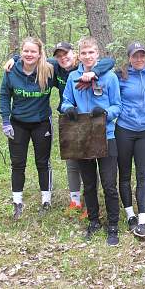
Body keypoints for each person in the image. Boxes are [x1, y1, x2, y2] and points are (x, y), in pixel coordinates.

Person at [4, 43, 115, 215]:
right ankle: (75, 201)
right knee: (73, 161)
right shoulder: (54, 67)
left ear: (75, 54)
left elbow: (109, 61)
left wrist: (94, 72)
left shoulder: (83, 66)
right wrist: (15, 58)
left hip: (91, 117)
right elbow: (33, 56)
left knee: (91, 158)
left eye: (67, 54)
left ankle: (89, 203)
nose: (63, 58)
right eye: (59, 55)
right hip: (71, 116)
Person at [61, 36, 122, 246]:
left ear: (97, 54)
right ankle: (94, 221)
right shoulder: (73, 78)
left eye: (91, 53)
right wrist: (68, 109)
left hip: (106, 135)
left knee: (108, 184)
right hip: (82, 136)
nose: (87, 57)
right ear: (79, 55)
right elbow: (65, 100)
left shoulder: (109, 77)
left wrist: (104, 112)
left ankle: (113, 225)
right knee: (89, 184)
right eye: (84, 53)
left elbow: (117, 106)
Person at [0, 37, 55, 220]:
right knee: (18, 164)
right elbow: (5, 95)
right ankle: (17, 203)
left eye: (33, 51)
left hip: (41, 123)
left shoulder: (49, 69)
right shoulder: (11, 70)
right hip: (18, 123)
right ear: (21, 52)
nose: (29, 54)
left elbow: (70, 64)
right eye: (26, 51)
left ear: (40, 54)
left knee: (43, 162)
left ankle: (46, 201)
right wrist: (5, 121)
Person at [115, 42, 145, 237]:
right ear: (129, 58)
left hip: (143, 133)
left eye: (142, 55)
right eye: (135, 56)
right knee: (124, 175)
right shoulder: (121, 76)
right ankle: (130, 214)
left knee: (143, 176)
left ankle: (142, 221)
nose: (139, 59)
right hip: (123, 130)